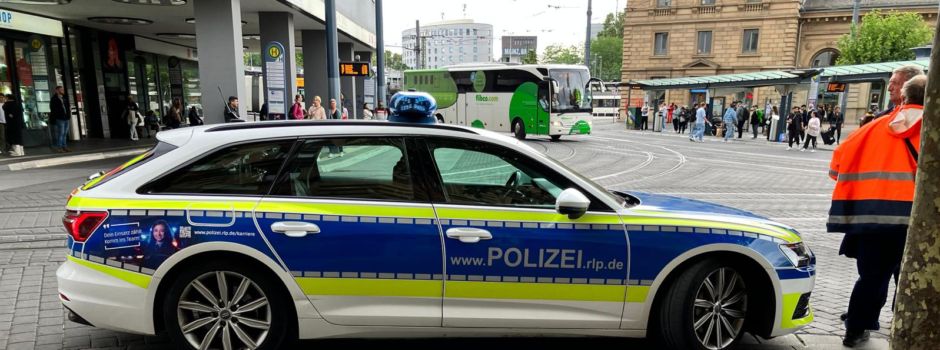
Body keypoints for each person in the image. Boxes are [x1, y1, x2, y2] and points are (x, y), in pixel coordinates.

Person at [829, 74, 926, 348]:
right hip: (914, 220)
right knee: (911, 276)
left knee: (871, 276)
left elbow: (837, 165)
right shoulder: (932, 129)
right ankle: (903, 325)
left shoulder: (873, 127)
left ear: (904, 97)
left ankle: (855, 330)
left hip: (870, 216)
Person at [49, 86, 70, 152]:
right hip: (60, 118)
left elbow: (67, 107)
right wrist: (58, 116)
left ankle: (64, 146)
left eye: (63, 89)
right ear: (57, 91)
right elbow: (53, 109)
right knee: (61, 133)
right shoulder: (54, 99)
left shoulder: (64, 98)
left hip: (66, 118)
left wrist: (68, 115)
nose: (63, 90)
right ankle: (59, 147)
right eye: (61, 89)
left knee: (65, 133)